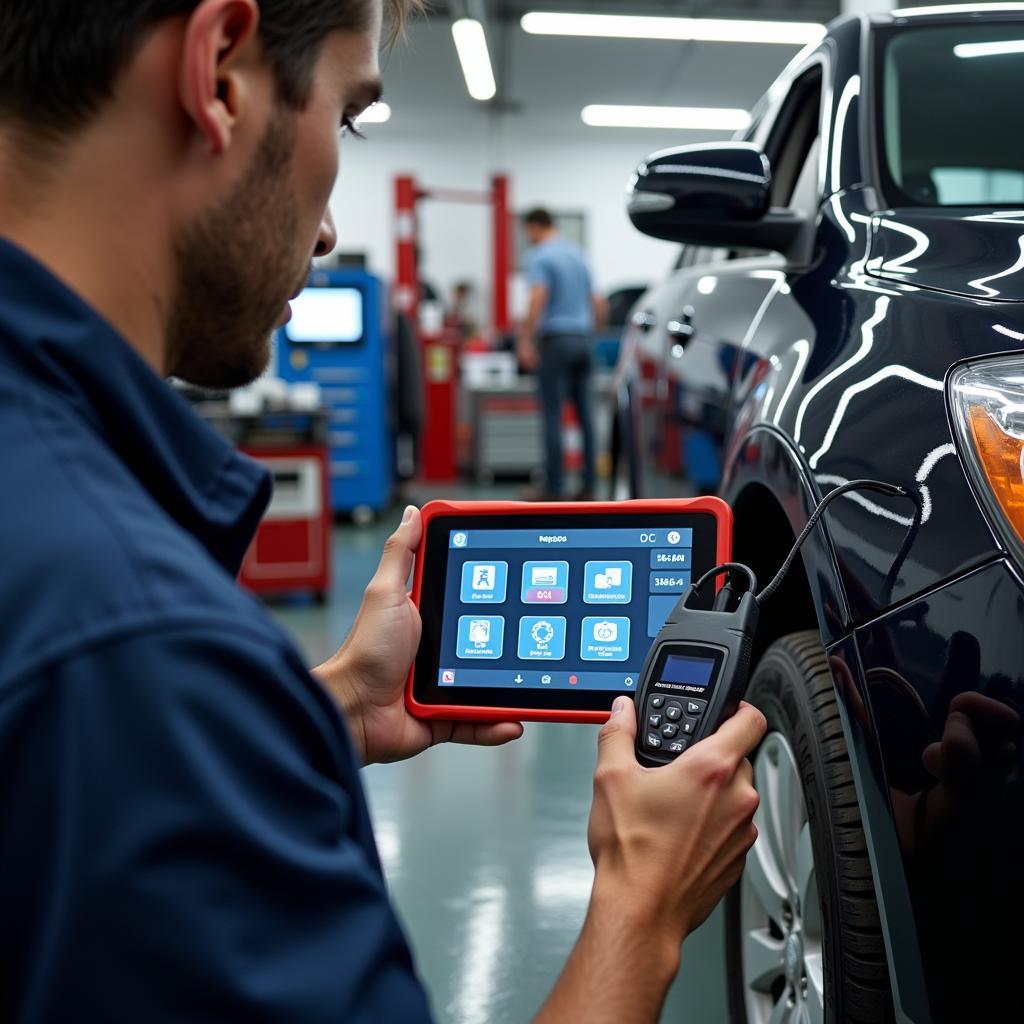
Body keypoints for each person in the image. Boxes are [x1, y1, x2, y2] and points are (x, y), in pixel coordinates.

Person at [0, 2, 766, 1021]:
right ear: (220, 73)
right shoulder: (139, 647)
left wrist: (314, 715)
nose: (326, 230)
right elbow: (117, 703)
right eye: (349, 117)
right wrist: (643, 903)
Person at [517, 208, 608, 500]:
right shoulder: (578, 255)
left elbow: (537, 297)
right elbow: (598, 301)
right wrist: (592, 333)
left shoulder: (540, 256)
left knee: (553, 414)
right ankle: (590, 484)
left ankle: (554, 487)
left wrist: (524, 339)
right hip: (583, 340)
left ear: (533, 227)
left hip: (555, 340)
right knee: (586, 416)